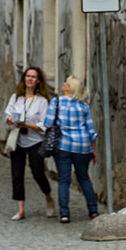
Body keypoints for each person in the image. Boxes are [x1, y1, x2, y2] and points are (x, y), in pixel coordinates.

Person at [44, 75, 99, 222]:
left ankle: (64, 213)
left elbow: (48, 123)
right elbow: (90, 130)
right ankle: (93, 210)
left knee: (64, 180)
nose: (63, 83)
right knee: (84, 178)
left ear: (68, 87)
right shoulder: (84, 105)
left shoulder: (56, 102)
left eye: (65, 82)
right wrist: (93, 149)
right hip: (82, 146)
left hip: (63, 145)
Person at [4, 65, 54, 220]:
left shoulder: (42, 102)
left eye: (33, 77)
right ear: (24, 79)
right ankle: (20, 209)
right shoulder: (16, 98)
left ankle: (48, 196)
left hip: (35, 140)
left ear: (38, 81)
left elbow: (44, 125)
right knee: (17, 174)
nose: (30, 79)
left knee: (38, 172)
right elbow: (8, 113)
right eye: (28, 76)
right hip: (18, 139)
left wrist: (27, 125)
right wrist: (11, 119)